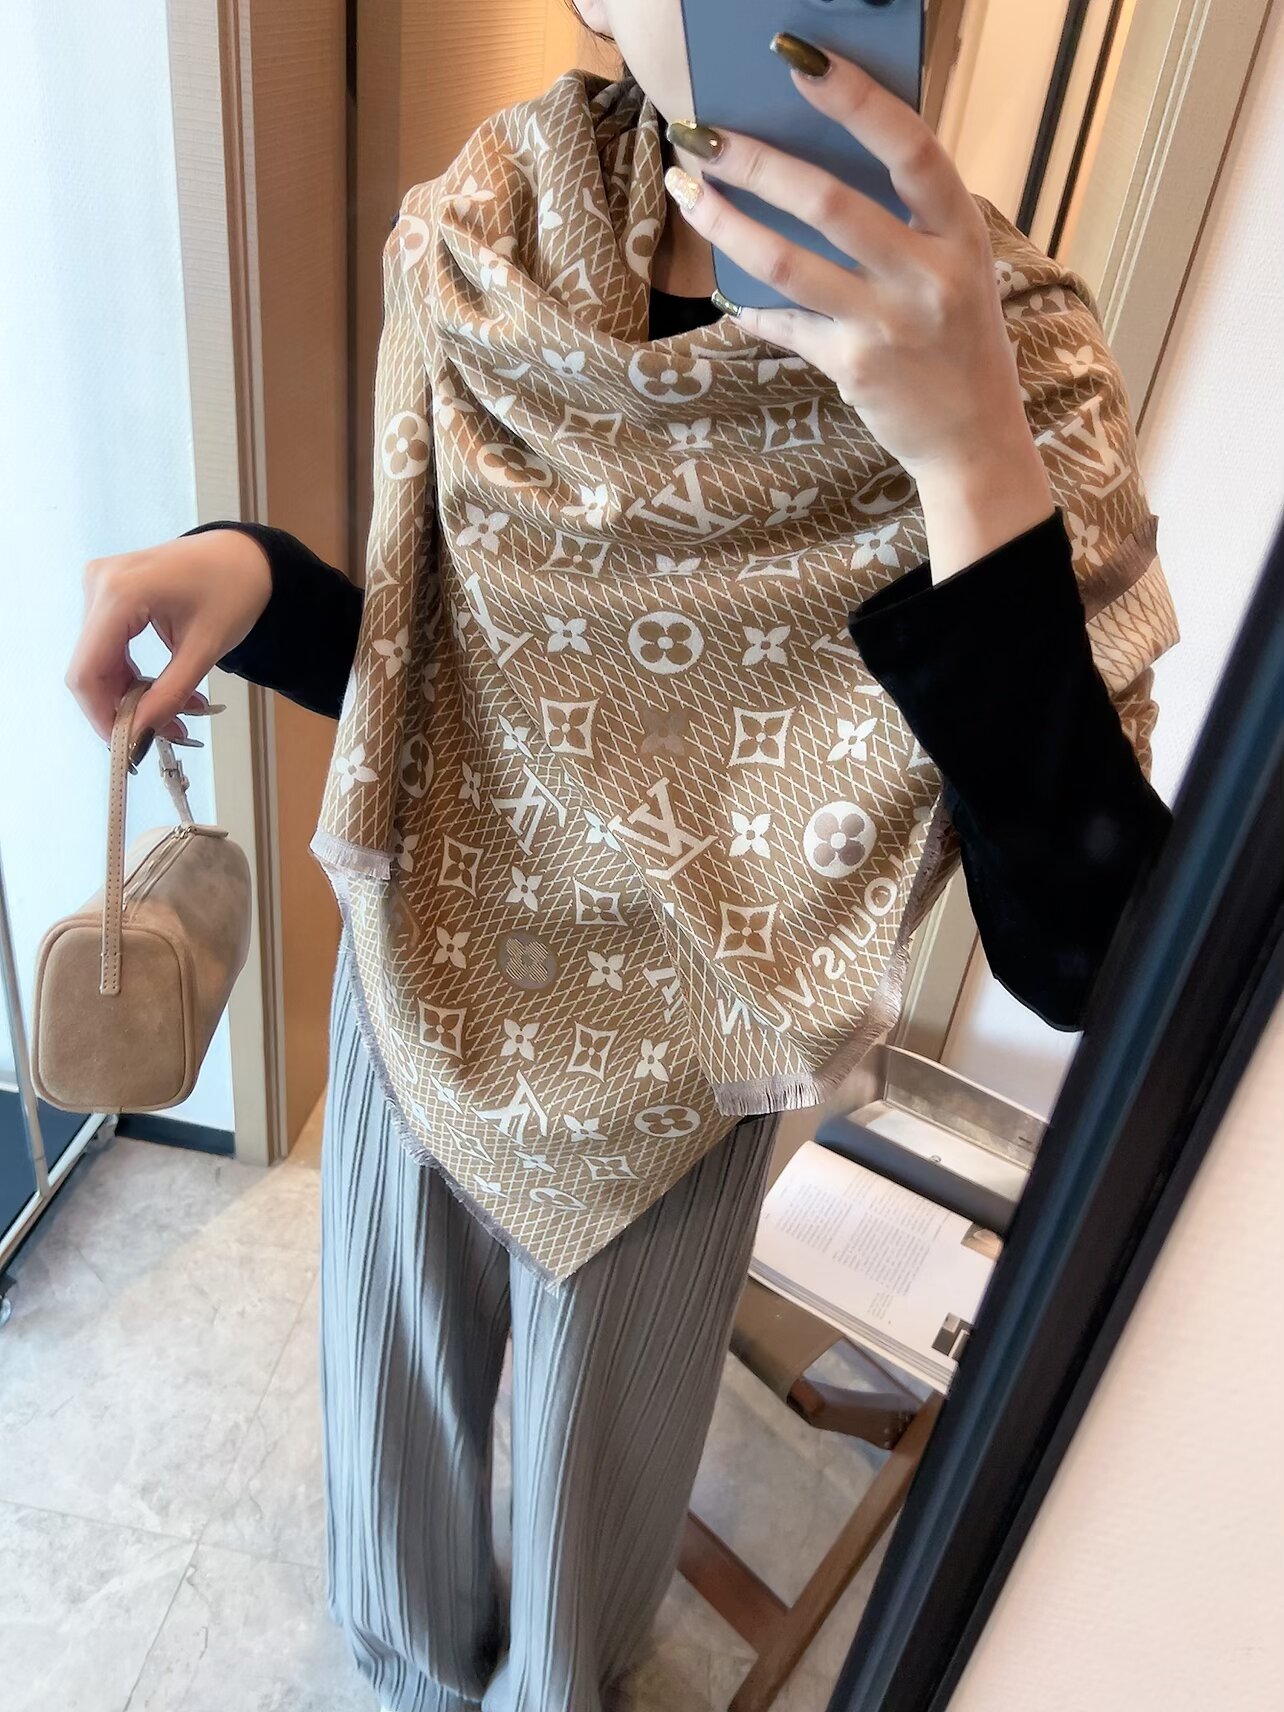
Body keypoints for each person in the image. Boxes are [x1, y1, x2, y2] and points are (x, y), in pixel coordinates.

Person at [66, 8, 1177, 1709]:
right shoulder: (483, 242)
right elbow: (469, 707)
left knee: (589, 1559)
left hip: (687, 1079)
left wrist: (972, 456)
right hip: (423, 979)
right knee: (395, 1491)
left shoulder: (1023, 364)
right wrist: (266, 582)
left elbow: (1093, 949)